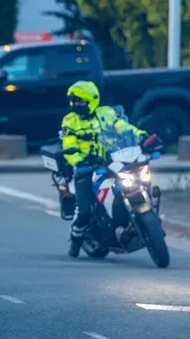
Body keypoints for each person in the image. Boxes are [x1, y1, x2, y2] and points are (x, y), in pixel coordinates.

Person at [61, 81, 160, 258]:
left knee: (137, 179)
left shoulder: (106, 113)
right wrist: (79, 160)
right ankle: (75, 242)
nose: (76, 105)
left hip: (111, 160)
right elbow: (68, 144)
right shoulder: (70, 121)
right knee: (84, 209)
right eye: (74, 102)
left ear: (92, 100)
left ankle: (132, 217)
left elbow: (122, 127)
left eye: (80, 102)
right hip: (86, 166)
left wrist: (140, 135)